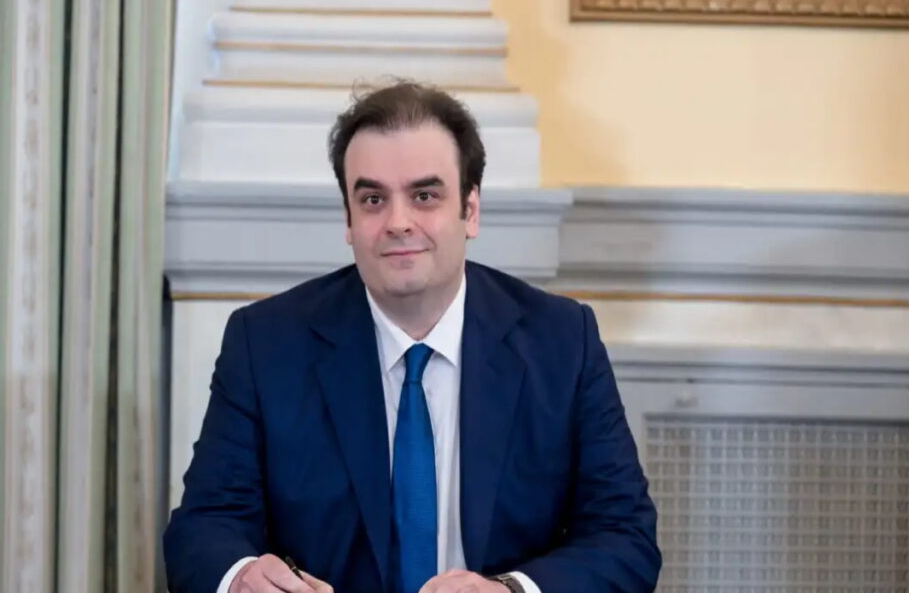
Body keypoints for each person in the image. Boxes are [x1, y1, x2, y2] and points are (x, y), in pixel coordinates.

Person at [163, 81, 661, 593]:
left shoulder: (562, 341)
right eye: (373, 199)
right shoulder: (266, 344)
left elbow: (624, 539)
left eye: (424, 196)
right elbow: (204, 527)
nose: (398, 222)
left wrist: (511, 591)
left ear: (470, 210)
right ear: (349, 220)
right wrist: (239, 577)